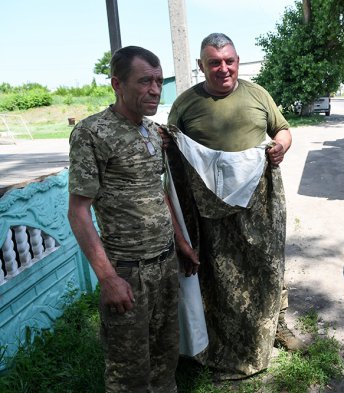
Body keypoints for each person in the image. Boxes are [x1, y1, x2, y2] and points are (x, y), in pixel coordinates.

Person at [165, 32, 304, 379]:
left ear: (238, 61)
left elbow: (283, 129)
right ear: (201, 66)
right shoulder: (185, 104)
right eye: (214, 62)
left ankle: (276, 327)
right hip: (208, 208)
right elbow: (171, 155)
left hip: (258, 201)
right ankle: (215, 340)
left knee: (268, 263)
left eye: (229, 61)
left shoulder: (257, 94)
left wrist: (280, 147)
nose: (223, 68)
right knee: (216, 273)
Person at [67, 46, 199, 393]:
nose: (155, 89)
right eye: (144, 82)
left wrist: (182, 244)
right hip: (128, 271)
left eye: (157, 81)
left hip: (165, 263)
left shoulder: (153, 133)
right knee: (129, 372)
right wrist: (108, 278)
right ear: (117, 84)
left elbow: (160, 192)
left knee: (165, 358)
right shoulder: (92, 133)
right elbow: (78, 212)